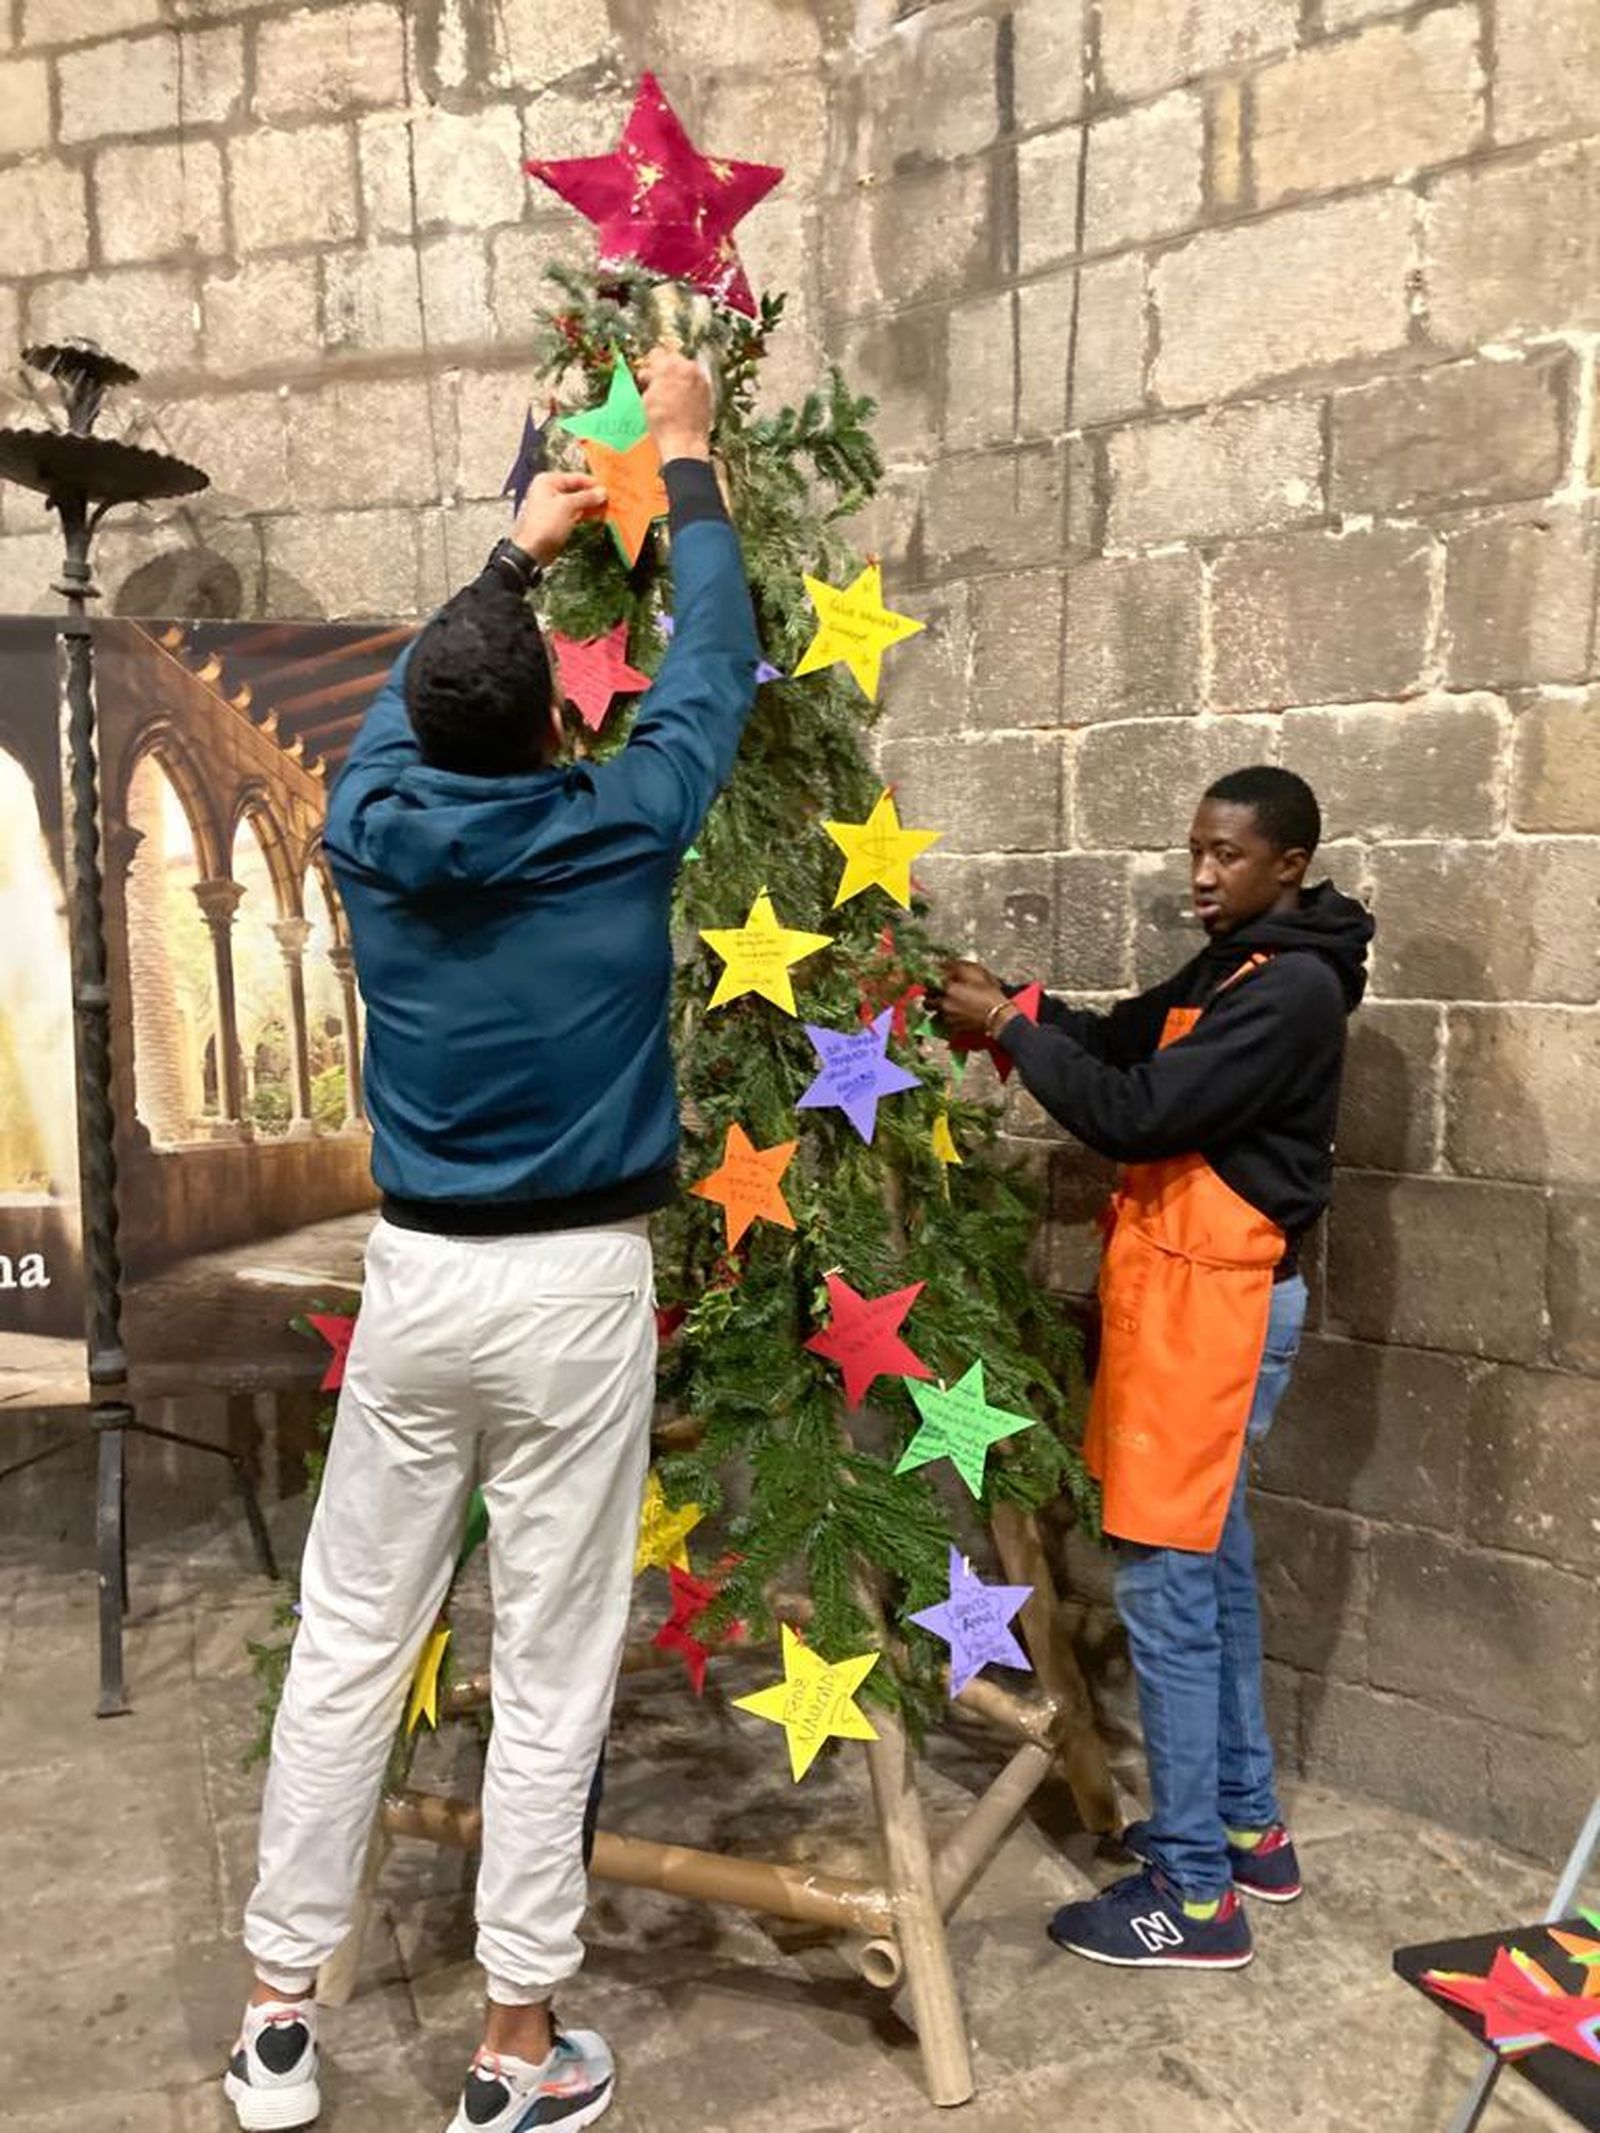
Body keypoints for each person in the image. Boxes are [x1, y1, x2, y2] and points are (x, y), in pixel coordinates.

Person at [224, 349, 759, 2133]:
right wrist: (680, 460)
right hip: (578, 1286)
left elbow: (413, 705)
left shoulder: (370, 822)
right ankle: (514, 2048)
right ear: (551, 724)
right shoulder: (618, 822)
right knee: (551, 1658)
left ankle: (277, 2015)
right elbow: (706, 669)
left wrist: (513, 546)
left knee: (352, 1634)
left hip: (424, 1278)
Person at [934, 766, 1373, 1973]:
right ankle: (1244, 1825)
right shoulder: (1232, 964)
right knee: (1214, 1568)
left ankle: (1190, 1895)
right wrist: (1006, 1005)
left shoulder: (1287, 992)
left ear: (1288, 863)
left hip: (1213, 1313)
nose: (1200, 873)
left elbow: (1134, 1110)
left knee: (1169, 1593)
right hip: (1188, 1301)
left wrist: (1012, 1031)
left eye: (1226, 855)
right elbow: (1117, 1038)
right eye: (1194, 850)